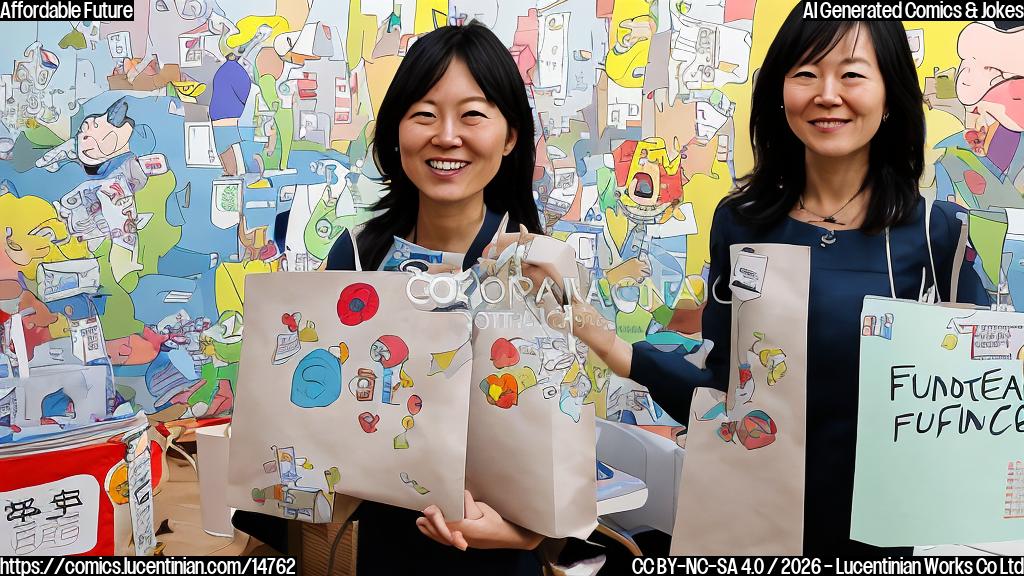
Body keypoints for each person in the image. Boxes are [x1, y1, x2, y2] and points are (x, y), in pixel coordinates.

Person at [516, 6, 989, 556]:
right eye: (806, 72)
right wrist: (592, 329)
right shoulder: (742, 223)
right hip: (759, 532)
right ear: (780, 93)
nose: (827, 94)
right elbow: (724, 397)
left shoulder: (936, 233)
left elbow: (973, 410)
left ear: (890, 96)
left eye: (852, 74)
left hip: (891, 539)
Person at [235, 23, 560, 574]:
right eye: (425, 114)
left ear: (510, 137)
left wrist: (523, 534)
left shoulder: (537, 267)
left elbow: (558, 439)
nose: (447, 136)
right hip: (373, 547)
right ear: (396, 132)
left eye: (472, 115)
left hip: (496, 559)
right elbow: (312, 417)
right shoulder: (355, 257)